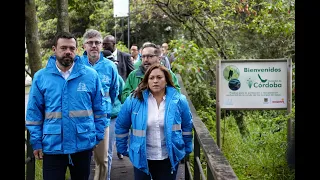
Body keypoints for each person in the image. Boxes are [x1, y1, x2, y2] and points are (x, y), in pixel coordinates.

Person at [25, 31, 108, 180]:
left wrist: (97, 136)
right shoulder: (41, 77)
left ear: (76, 50)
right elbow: (34, 114)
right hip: (52, 146)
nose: (68, 52)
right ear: (54, 49)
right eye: (63, 48)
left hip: (82, 144)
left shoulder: (90, 76)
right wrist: (36, 141)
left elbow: (100, 110)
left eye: (72, 48)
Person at [115, 64, 193, 180]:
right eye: (151, 78)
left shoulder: (179, 100)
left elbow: (187, 126)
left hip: (169, 156)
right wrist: (122, 148)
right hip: (142, 157)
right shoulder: (134, 100)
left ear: (166, 80)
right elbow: (122, 125)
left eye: (159, 77)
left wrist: (186, 148)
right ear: (147, 81)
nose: (155, 81)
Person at [80, 29, 120, 180]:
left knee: (103, 159)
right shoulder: (77, 65)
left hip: (103, 119)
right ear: (84, 46)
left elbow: (114, 90)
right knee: (81, 158)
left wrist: (105, 106)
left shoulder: (110, 66)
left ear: (102, 45)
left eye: (97, 43)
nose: (94, 46)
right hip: (81, 119)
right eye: (90, 43)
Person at [102, 49, 127, 179]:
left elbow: (123, 95)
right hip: (97, 117)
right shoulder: (95, 76)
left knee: (108, 150)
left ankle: (107, 177)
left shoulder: (118, 78)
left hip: (113, 117)